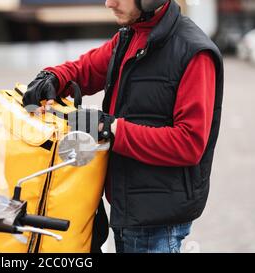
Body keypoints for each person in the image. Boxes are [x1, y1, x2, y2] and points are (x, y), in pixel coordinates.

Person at [22, 0, 224, 253]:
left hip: (157, 220)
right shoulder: (131, 36)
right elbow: (85, 69)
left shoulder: (194, 52)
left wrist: (110, 129)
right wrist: (53, 77)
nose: (109, 3)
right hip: (126, 206)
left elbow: (189, 143)